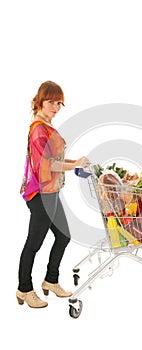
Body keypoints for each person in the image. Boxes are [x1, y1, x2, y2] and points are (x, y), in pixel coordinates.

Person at [17, 81, 90, 308]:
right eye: (51, 102)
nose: (56, 106)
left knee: (63, 236)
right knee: (33, 244)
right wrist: (72, 165)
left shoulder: (46, 126)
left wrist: (75, 163)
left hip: (52, 191)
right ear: (40, 101)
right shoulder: (39, 128)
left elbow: (54, 160)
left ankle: (50, 280)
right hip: (40, 194)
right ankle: (24, 289)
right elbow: (44, 166)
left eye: (59, 102)